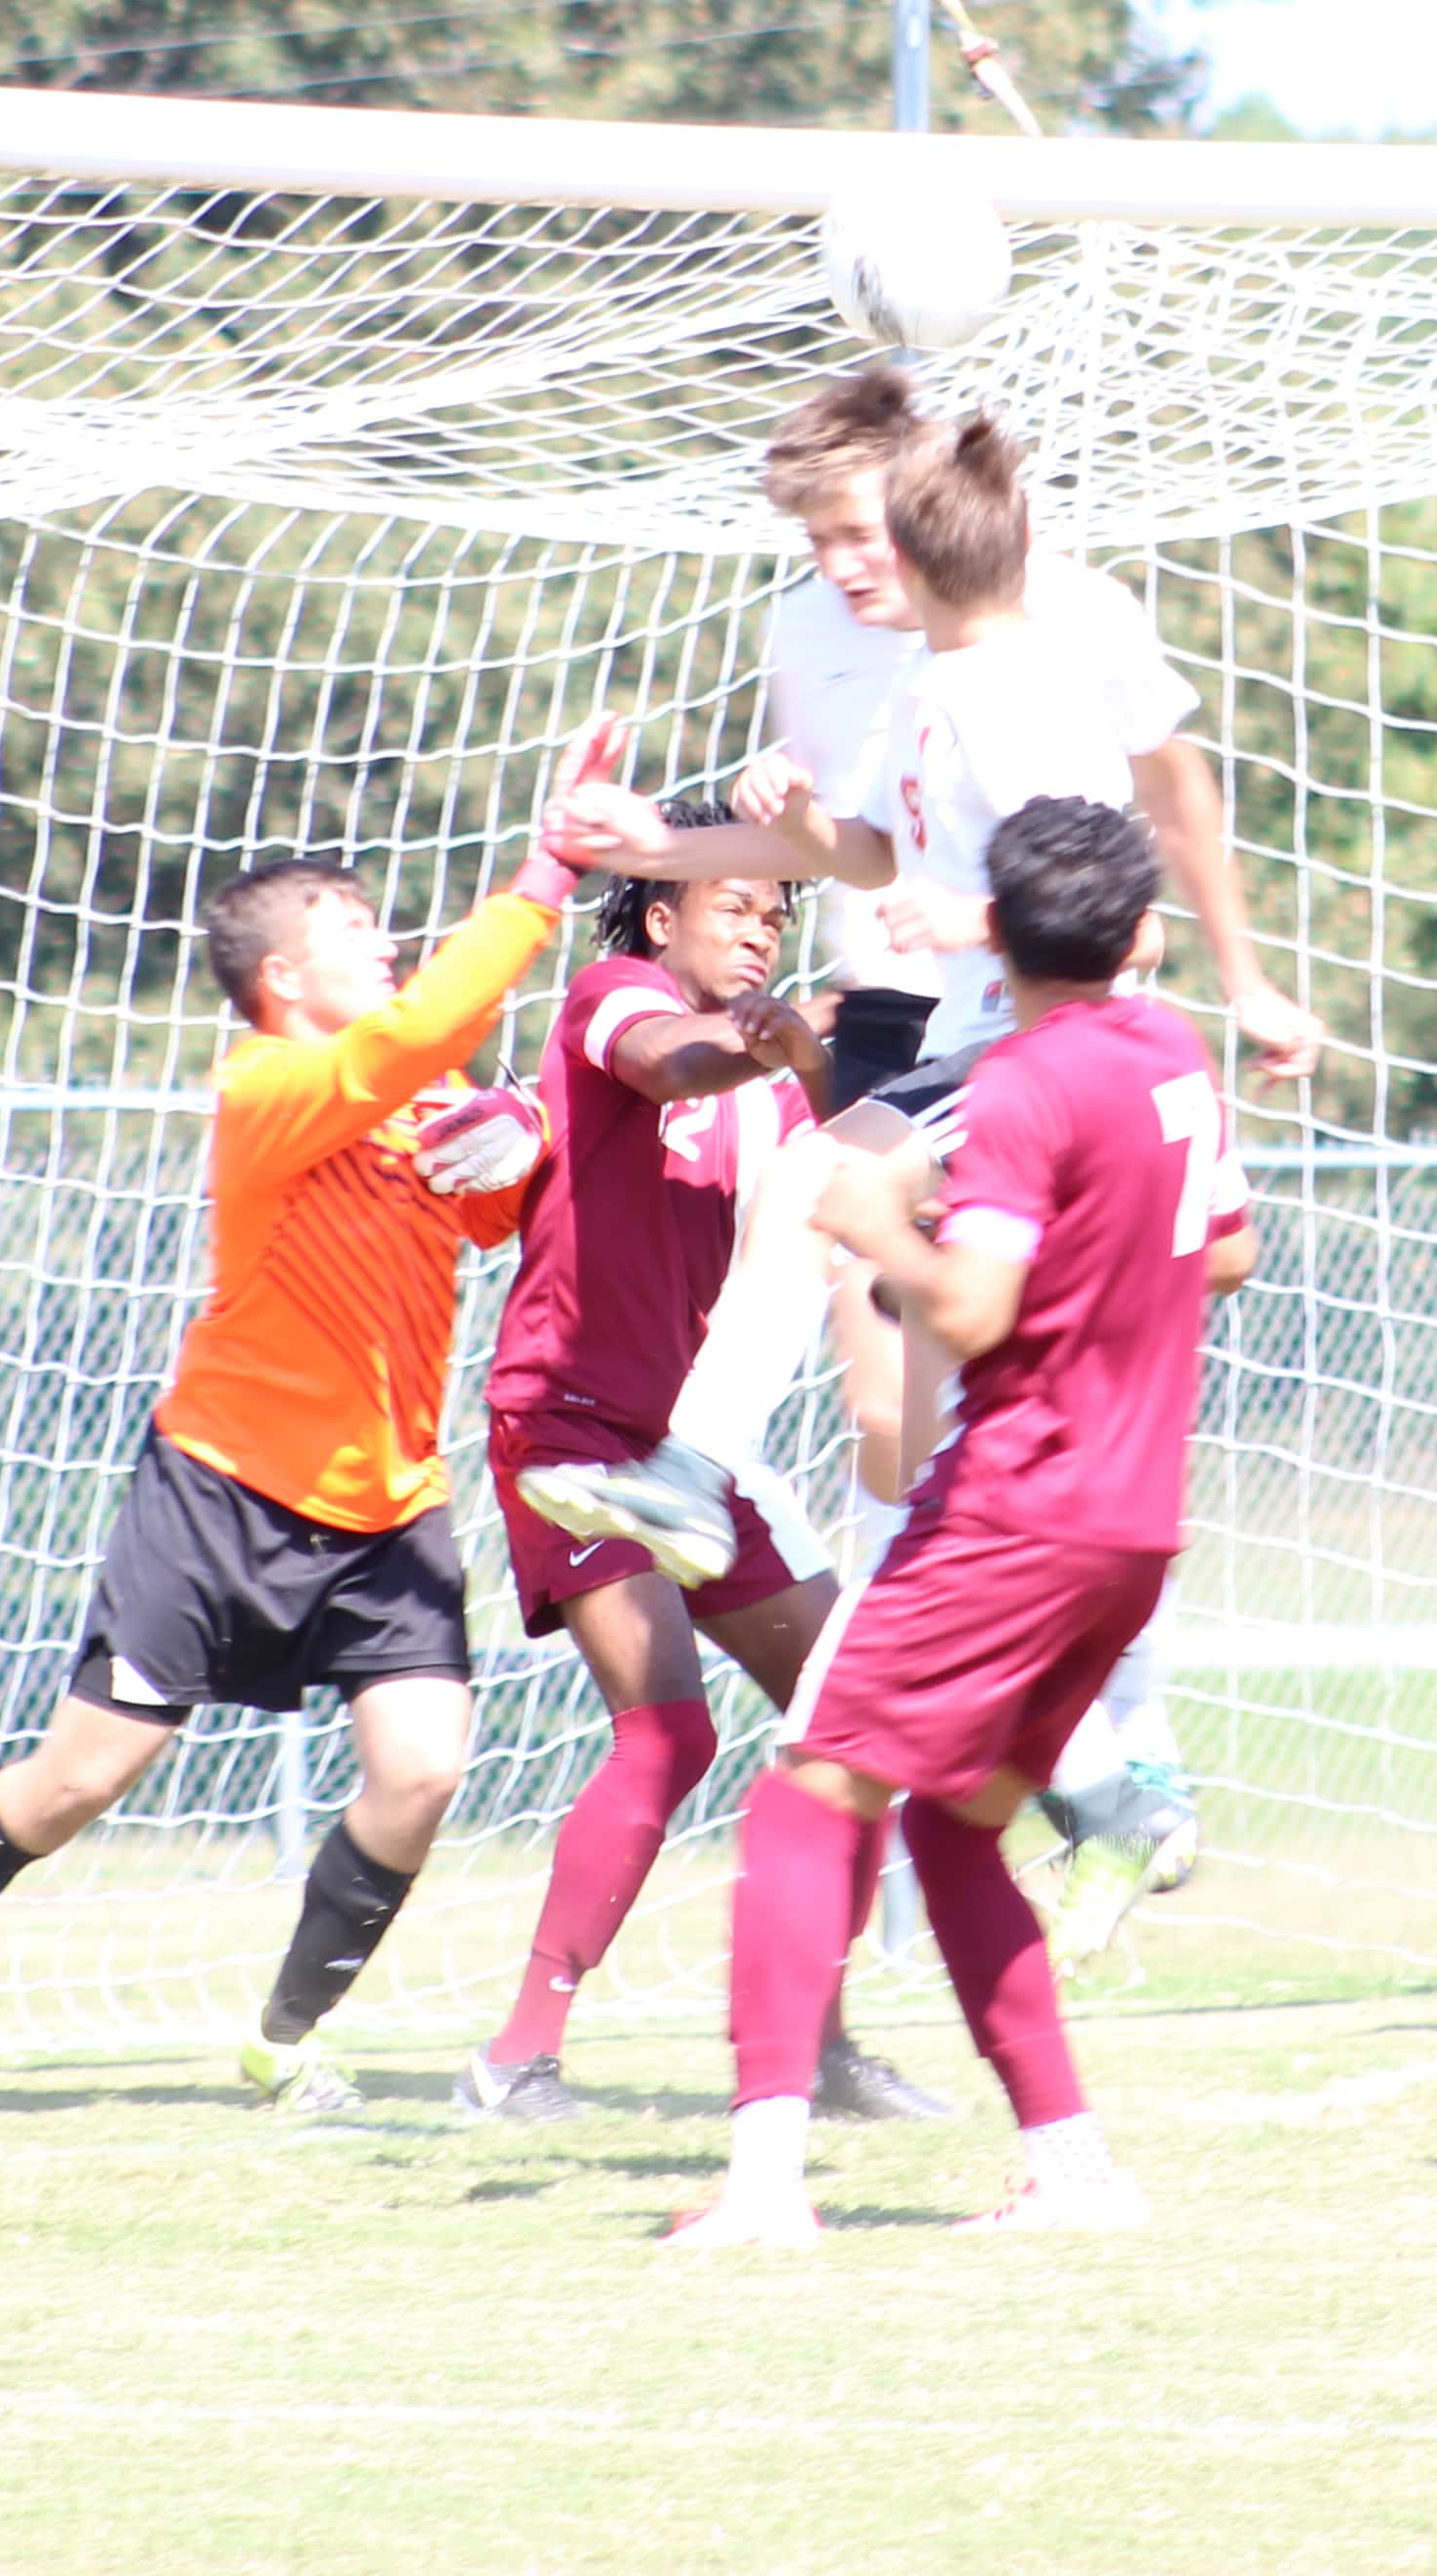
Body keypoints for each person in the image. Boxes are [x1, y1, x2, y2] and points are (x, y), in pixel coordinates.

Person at [0, 730, 615, 2122]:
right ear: (282, 977)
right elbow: (416, 1036)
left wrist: (530, 1150)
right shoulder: (269, 1087)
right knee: (76, 1783)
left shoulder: (420, 1103)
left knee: (424, 1773)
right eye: (350, 927)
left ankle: (286, 2040)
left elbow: (492, 1196)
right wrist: (544, 875)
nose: (383, 942)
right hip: (222, 1492)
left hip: (390, 1506)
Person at [535, 397, 1287, 1909]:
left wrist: (995, 926)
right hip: (955, 1030)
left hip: (1058, 1047)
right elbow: (864, 855)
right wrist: (660, 848)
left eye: (858, 537)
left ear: (929, 537)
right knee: (904, 1345)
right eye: (813, 545)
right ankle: (1073, 1765)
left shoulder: (1025, 675)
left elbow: (1107, 894)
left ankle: (1103, 1754)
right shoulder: (928, 685)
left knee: (939, 1296)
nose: (837, 568)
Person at [666, 797, 1261, 2248]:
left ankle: (760, 2191)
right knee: (953, 1822)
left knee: (805, 1796)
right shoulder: (1172, 1054)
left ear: (992, 931)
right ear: (1143, 936)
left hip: (1019, 1506)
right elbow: (1227, 1249)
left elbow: (977, 1305)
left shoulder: (1021, 1088)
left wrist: (878, 1227)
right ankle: (1070, 2170)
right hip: (1132, 1526)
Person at [460, 803, 950, 2127]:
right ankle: (518, 2055)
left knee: (855, 1715)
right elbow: (668, 1066)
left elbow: (857, 1180)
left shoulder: (773, 1064)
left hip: (686, 1449)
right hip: (564, 1426)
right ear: (665, 908)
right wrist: (763, 1045)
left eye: (777, 913)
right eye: (736, 906)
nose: (762, 927)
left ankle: (821, 2046)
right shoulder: (615, 997)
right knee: (668, 1730)